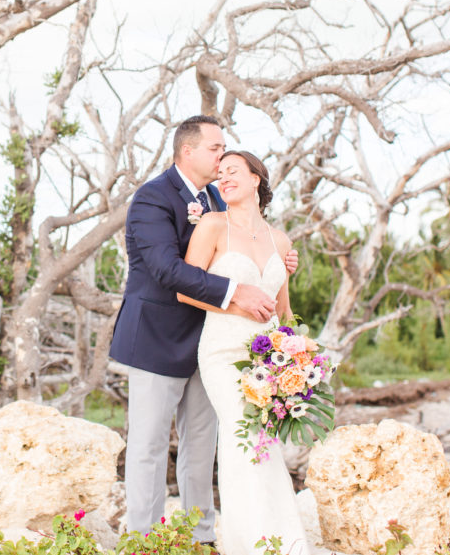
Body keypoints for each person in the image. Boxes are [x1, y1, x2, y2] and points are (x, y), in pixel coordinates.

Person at [109, 116, 297, 543]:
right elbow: (164, 268)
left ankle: (201, 537)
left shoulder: (217, 198)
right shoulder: (152, 198)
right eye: (216, 148)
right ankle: (145, 540)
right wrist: (237, 291)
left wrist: (278, 262)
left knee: (202, 445)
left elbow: (238, 246)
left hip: (212, 342)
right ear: (187, 151)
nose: (222, 156)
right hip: (156, 337)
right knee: (149, 445)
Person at [178, 150, 308, 555]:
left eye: (234, 171)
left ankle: (284, 539)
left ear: (257, 179)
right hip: (221, 352)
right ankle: (248, 543)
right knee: (241, 437)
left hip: (268, 359)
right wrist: (237, 304)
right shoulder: (213, 226)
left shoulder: (280, 240)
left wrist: (297, 359)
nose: (224, 177)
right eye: (220, 174)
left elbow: (283, 310)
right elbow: (186, 289)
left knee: (265, 440)